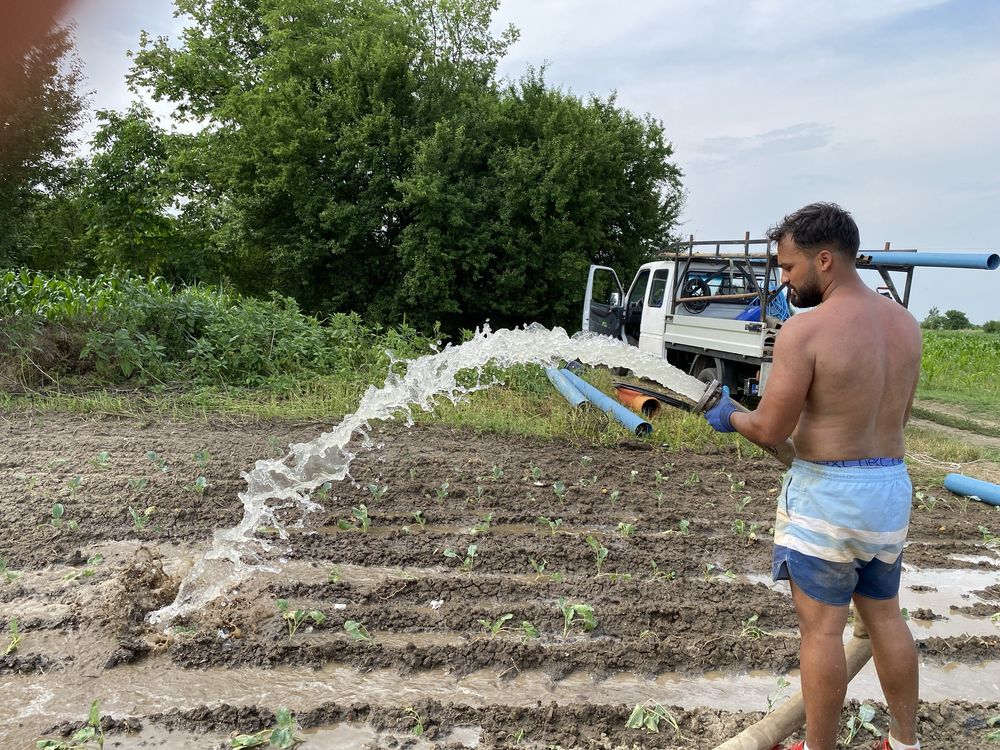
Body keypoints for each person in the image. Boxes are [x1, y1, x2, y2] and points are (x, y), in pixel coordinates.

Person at [704, 203, 922, 750]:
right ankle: (905, 743)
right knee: (887, 621)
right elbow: (900, 416)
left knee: (822, 632)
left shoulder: (806, 331)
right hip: (889, 487)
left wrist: (730, 416)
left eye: (787, 267)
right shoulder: (905, 325)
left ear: (824, 260)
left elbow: (772, 427)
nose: (783, 280)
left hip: (829, 495)